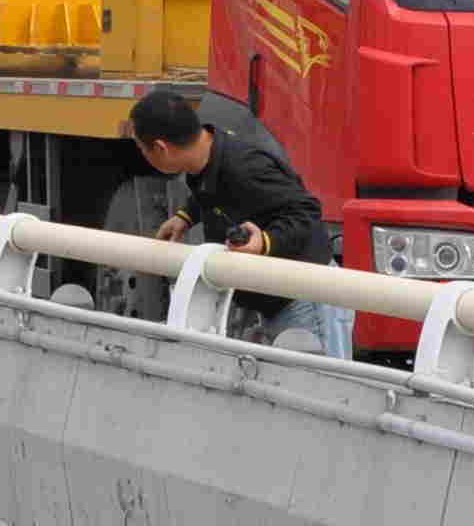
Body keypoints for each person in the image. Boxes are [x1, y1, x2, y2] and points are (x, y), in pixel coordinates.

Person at [127, 84, 351, 359]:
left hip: (305, 297)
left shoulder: (245, 166)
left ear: (160, 148)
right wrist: (185, 217)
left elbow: (306, 210)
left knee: (318, 388)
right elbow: (213, 192)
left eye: (141, 147)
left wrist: (265, 242)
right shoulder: (207, 154)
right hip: (279, 296)